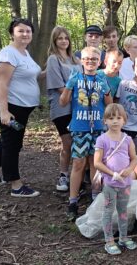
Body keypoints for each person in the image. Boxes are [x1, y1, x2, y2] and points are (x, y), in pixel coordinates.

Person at [0, 18, 45, 197]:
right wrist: (4, 111)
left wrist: (52, 70)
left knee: (7, 140)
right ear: (12, 34)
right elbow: (1, 83)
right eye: (21, 31)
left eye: (28, 31)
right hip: (12, 107)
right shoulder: (8, 53)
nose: (25, 34)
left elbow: (33, 77)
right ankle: (16, 186)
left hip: (23, 108)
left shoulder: (24, 53)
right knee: (12, 145)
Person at [60, 46, 113, 219]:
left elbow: (109, 104)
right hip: (80, 128)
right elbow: (63, 102)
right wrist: (69, 86)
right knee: (78, 163)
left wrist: (106, 89)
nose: (90, 61)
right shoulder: (76, 77)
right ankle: (73, 201)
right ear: (81, 61)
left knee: (95, 163)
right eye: (87, 59)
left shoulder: (101, 78)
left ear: (99, 62)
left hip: (98, 128)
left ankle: (95, 199)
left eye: (94, 59)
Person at [93, 103, 137, 255]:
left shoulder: (128, 139)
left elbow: (134, 158)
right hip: (110, 184)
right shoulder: (101, 140)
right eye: (111, 118)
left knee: (123, 211)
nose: (115, 121)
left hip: (125, 183)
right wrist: (112, 174)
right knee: (108, 211)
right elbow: (97, 162)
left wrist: (130, 170)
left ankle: (123, 237)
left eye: (118, 118)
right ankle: (109, 240)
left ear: (124, 120)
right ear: (105, 121)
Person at [46, 26, 81, 192]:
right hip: (62, 107)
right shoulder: (54, 59)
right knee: (67, 142)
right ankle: (63, 175)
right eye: (60, 38)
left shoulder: (75, 59)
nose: (63, 41)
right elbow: (59, 86)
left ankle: (78, 176)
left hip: (78, 107)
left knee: (79, 142)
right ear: (54, 40)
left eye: (66, 38)